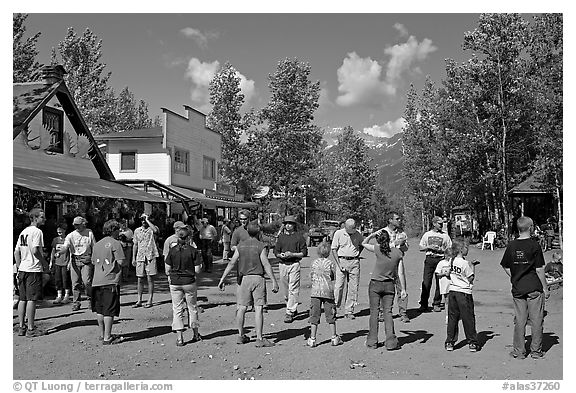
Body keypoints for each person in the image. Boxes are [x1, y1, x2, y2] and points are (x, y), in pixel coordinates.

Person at [218, 221, 279, 347]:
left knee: (241, 307)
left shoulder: (241, 246)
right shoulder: (260, 246)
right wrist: (273, 280)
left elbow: (232, 263)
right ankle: (259, 338)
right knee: (258, 308)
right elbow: (266, 264)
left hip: (244, 279)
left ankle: (240, 335)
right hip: (258, 278)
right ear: (259, 232)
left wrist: (222, 278)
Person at [500, 215, 548, 359]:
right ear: (531, 228)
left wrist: (514, 276)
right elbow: (539, 269)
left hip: (518, 287)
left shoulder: (511, 245)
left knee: (520, 320)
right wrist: (545, 287)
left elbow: (505, 265)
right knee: (536, 319)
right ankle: (536, 351)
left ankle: (519, 351)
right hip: (534, 286)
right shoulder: (534, 245)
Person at [362, 229, 406, 350]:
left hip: (375, 283)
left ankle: (372, 341)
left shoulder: (378, 249)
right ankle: (391, 342)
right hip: (389, 285)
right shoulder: (398, 253)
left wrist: (371, 234)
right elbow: (400, 273)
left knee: (374, 312)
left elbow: (364, 243)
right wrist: (403, 289)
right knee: (388, 312)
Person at [165, 226, 203, 346]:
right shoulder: (193, 251)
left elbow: (167, 270)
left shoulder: (172, 250)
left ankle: (180, 338)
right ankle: (195, 334)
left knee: (177, 309)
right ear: (188, 237)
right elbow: (197, 270)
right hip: (189, 282)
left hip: (175, 282)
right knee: (192, 308)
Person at [14, 208, 48, 337]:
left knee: (22, 299)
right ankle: (31, 328)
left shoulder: (24, 232)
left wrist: (18, 267)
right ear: (35, 218)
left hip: (23, 268)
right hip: (33, 268)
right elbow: (35, 250)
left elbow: (16, 251)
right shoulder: (37, 232)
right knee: (32, 299)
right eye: (42, 217)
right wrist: (44, 263)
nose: (44, 219)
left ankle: (22, 326)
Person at [91, 219, 126, 345]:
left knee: (100, 309)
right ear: (114, 230)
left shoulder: (97, 244)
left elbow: (93, 261)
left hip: (96, 280)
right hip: (110, 280)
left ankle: (102, 334)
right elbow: (121, 262)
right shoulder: (115, 243)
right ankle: (108, 337)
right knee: (109, 310)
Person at [442, 240, 479, 352]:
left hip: (453, 291)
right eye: (466, 248)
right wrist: (473, 266)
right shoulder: (465, 263)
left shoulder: (451, 261)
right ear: (461, 250)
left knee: (453, 317)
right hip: (464, 292)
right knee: (468, 318)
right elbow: (470, 277)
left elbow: (448, 274)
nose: (468, 250)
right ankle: (472, 342)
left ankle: (450, 341)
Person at [307, 241, 343, 347]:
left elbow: (311, 275)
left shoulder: (314, 263)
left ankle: (312, 338)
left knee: (314, 315)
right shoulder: (330, 263)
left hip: (315, 292)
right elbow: (332, 276)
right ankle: (334, 337)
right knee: (330, 315)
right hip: (327, 291)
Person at [274, 215, 308, 323]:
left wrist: (293, 254)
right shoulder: (281, 237)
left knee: (293, 287)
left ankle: (289, 312)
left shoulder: (299, 237)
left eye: (290, 224)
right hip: (283, 264)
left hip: (294, 264)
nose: (288, 226)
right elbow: (276, 252)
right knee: (285, 290)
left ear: (294, 225)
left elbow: (304, 253)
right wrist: (281, 255)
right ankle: (292, 306)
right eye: (286, 224)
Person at [331, 218, 364, 319]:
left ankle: (349, 310)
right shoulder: (338, 233)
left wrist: (358, 253)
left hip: (354, 261)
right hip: (342, 261)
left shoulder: (358, 234)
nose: (352, 231)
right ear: (345, 227)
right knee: (339, 286)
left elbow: (362, 244)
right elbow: (334, 249)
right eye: (350, 229)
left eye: (353, 229)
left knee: (353, 287)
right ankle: (334, 309)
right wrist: (338, 263)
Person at [418, 216, 452, 313]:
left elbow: (450, 249)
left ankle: (436, 303)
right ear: (434, 224)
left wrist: (443, 250)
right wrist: (429, 247)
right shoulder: (427, 235)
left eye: (442, 224)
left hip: (441, 260)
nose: (441, 225)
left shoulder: (445, 236)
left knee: (440, 283)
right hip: (430, 259)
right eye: (439, 223)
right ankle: (423, 304)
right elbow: (420, 247)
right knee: (426, 282)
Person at [381, 212, 410, 323]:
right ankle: (384, 312)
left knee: (402, 286)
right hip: (386, 263)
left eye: (399, 219)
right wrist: (394, 243)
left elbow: (406, 248)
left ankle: (403, 312)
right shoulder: (383, 232)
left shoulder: (402, 233)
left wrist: (402, 244)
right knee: (385, 287)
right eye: (397, 219)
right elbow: (381, 248)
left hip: (399, 262)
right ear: (390, 220)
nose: (399, 221)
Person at [63, 216, 96, 312]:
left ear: (83, 224)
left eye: (78, 225)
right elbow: (66, 246)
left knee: (87, 282)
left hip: (86, 258)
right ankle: (76, 302)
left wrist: (94, 258)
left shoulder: (89, 233)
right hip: (75, 259)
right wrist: (60, 251)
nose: (76, 227)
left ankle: (90, 299)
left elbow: (94, 245)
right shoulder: (70, 235)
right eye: (75, 225)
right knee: (75, 283)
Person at [132, 213, 159, 308]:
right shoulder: (137, 231)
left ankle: (150, 299)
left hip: (150, 255)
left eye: (145, 219)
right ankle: (139, 299)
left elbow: (155, 231)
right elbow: (135, 244)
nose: (143, 221)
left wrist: (148, 220)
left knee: (150, 278)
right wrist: (133, 257)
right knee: (140, 279)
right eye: (142, 219)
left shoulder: (152, 228)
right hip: (140, 256)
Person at [49, 223, 72, 304]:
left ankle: (66, 295)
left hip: (65, 262)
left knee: (65, 279)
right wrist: (51, 261)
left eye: (61, 231)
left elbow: (70, 252)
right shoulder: (55, 240)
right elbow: (53, 251)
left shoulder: (68, 239)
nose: (59, 232)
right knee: (58, 279)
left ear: (64, 230)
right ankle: (59, 295)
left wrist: (70, 262)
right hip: (57, 262)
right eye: (58, 231)